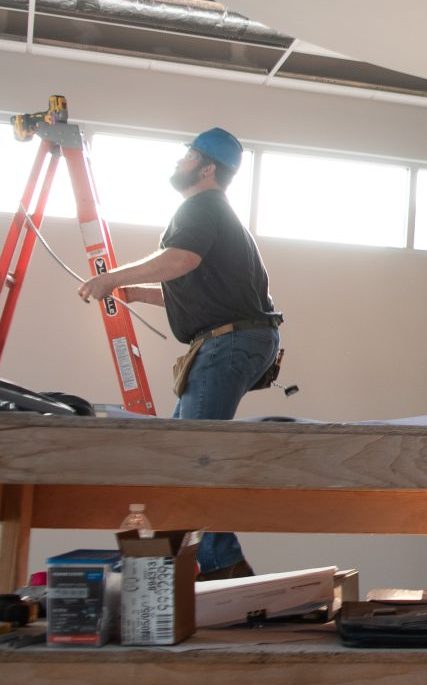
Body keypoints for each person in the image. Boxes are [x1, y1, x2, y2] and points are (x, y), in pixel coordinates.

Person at [78, 127, 280, 581]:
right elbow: (192, 293)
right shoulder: (217, 217)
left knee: (193, 453)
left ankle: (221, 563)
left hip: (229, 342)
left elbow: (180, 260)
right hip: (237, 338)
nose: (178, 161)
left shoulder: (201, 207)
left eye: (186, 155)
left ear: (206, 169)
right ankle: (179, 559)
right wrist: (132, 290)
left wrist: (111, 277)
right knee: (182, 451)